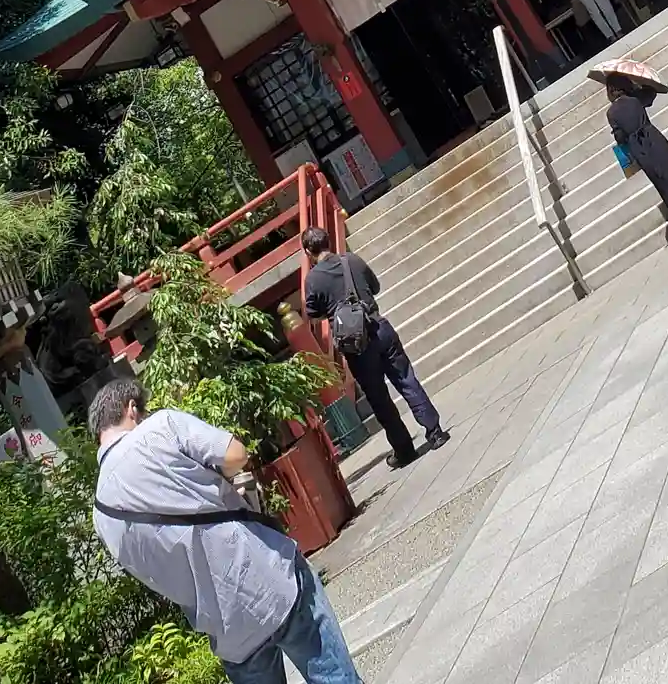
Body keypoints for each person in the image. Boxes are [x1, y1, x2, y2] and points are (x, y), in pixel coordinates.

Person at [90, 377, 363, 684]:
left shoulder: (101, 516)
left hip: (227, 632)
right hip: (271, 584)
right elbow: (236, 455)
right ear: (132, 409)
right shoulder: (159, 428)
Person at [300, 225, 448, 467]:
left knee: (379, 399)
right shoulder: (352, 261)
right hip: (380, 327)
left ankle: (404, 449)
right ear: (329, 241)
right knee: (406, 379)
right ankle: (435, 432)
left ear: (308, 251)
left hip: (357, 346)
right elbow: (375, 287)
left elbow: (313, 313)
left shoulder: (313, 280)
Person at [595, 58, 668, 239]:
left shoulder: (611, 112)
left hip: (639, 148)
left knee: (662, 181)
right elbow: (651, 92)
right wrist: (637, 83)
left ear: (611, 91)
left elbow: (620, 137)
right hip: (653, 137)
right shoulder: (635, 100)